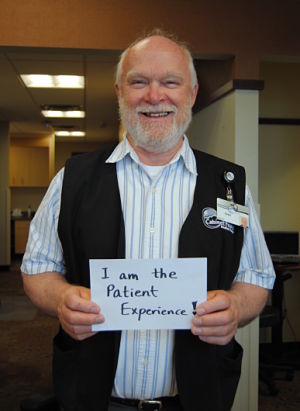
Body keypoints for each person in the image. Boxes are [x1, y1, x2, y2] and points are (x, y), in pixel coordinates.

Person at [21, 29, 275, 411]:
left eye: (170, 82)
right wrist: (60, 298)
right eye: (139, 82)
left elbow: (254, 276)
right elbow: (37, 268)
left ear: (190, 94)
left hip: (196, 398)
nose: (154, 96)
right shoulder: (72, 179)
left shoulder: (228, 187)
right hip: (94, 398)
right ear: (120, 93)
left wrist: (237, 307)